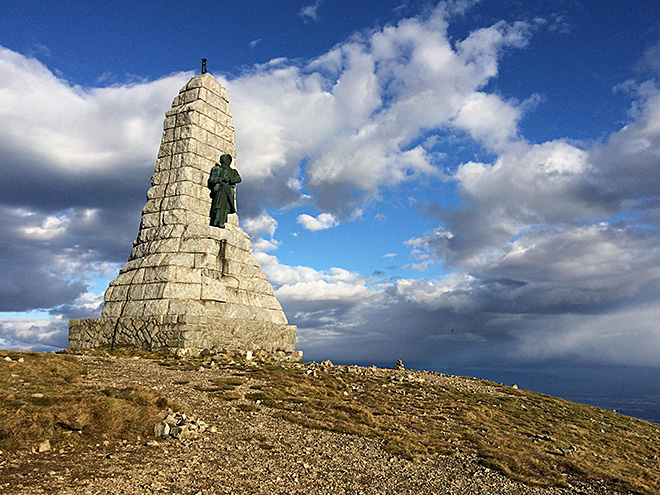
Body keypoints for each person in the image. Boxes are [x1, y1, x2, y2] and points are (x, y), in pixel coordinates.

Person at [208, 153, 242, 228]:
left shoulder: (233, 171)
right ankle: (217, 221)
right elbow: (212, 180)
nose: (227, 161)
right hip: (220, 189)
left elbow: (239, 179)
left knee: (226, 207)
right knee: (219, 206)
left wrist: (230, 180)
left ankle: (221, 221)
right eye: (225, 159)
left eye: (228, 159)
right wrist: (221, 179)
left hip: (229, 192)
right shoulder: (217, 169)